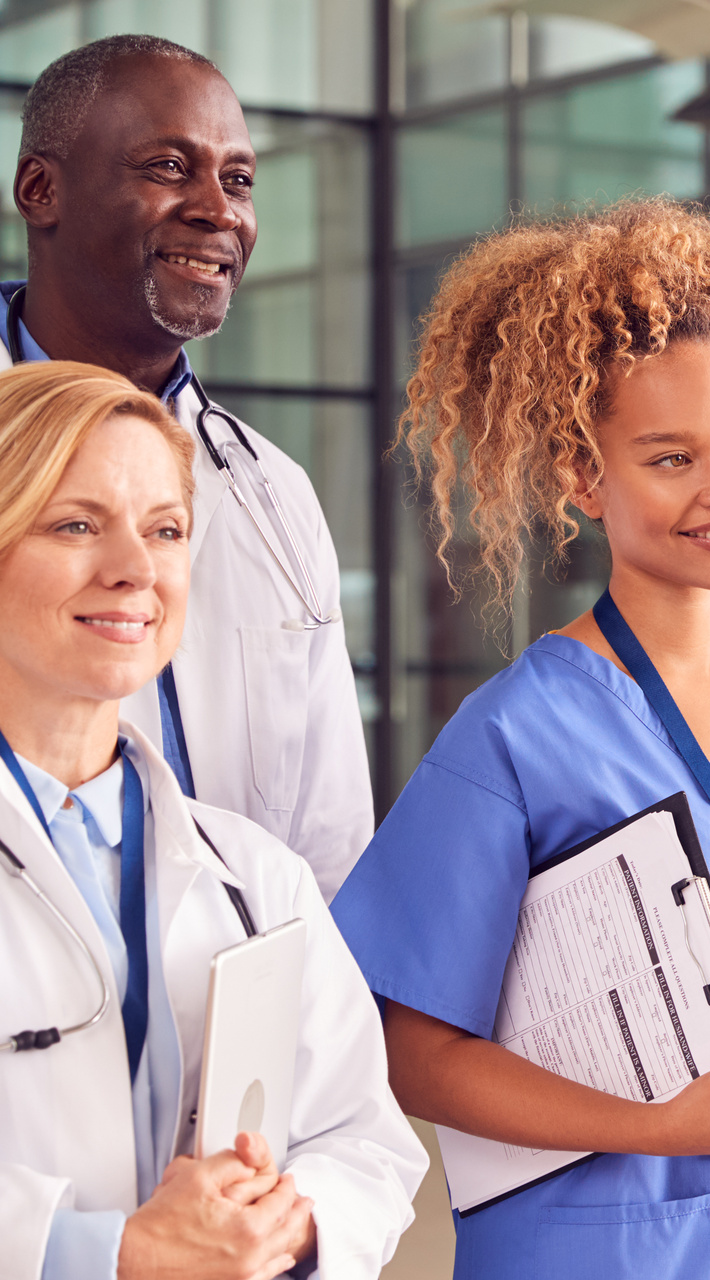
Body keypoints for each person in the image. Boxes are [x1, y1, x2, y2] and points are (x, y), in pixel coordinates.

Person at [327, 199, 710, 1280]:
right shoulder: (515, 738)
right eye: (670, 458)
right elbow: (403, 1048)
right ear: (585, 478)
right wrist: (662, 1122)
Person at [0, 360, 424, 1280]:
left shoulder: (252, 875)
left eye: (166, 530)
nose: (134, 572)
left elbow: (367, 1137)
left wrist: (287, 1227)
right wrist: (108, 1253)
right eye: (76, 525)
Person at [6, 35, 369, 898]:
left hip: (249, 1008)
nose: (220, 211)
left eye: (239, 180)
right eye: (170, 167)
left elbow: (333, 851)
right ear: (39, 189)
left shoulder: (273, 494)